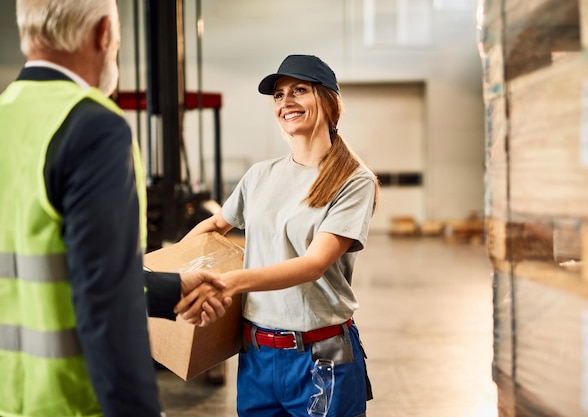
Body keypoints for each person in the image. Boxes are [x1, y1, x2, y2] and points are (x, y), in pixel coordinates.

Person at [0, 1, 229, 416]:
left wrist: (173, 287)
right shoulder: (92, 126)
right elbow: (107, 303)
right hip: (67, 402)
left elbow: (48, 266)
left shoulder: (7, 116)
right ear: (104, 33)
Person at [177, 54, 380, 417]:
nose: (285, 101)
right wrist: (175, 268)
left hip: (321, 359)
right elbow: (213, 225)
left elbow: (313, 265)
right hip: (257, 355)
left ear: (328, 101)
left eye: (299, 90)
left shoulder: (353, 180)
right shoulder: (260, 175)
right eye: (278, 95)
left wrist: (228, 282)